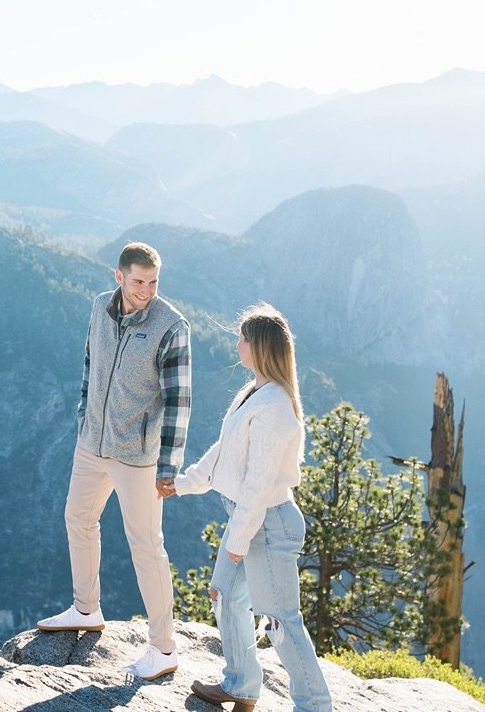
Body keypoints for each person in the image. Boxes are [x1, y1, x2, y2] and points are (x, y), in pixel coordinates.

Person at [36, 241, 192, 682]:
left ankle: (163, 649)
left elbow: (180, 402)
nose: (147, 290)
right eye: (139, 281)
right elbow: (90, 363)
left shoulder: (171, 326)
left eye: (153, 282)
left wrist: (169, 464)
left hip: (138, 457)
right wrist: (84, 415)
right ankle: (86, 608)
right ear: (119, 277)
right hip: (92, 443)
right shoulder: (100, 307)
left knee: (146, 545)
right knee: (78, 519)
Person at [174, 303, 331, 712]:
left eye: (243, 337)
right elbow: (224, 452)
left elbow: (259, 485)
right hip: (248, 518)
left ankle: (315, 705)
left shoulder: (276, 407)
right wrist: (182, 484)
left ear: (259, 346)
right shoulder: (253, 392)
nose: (237, 343)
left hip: (268, 522)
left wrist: (239, 540)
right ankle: (241, 685)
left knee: (281, 620)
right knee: (225, 595)